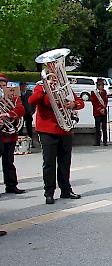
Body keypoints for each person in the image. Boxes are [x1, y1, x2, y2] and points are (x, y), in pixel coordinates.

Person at [29, 75, 85, 204]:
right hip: (47, 130)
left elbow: (80, 102)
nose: (55, 80)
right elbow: (32, 101)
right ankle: (49, 192)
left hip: (65, 129)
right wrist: (45, 87)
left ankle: (66, 190)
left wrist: (73, 104)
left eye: (56, 77)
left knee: (65, 162)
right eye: (52, 77)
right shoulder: (40, 87)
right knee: (49, 163)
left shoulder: (65, 88)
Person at [0, 74, 26, 194]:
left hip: (10, 134)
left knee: (9, 162)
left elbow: (21, 109)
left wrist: (8, 114)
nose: (2, 87)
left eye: (4, 85)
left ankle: (11, 185)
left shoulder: (13, 94)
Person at [90, 78, 109, 147]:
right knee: (97, 128)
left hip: (104, 112)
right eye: (101, 85)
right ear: (98, 86)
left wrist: (104, 108)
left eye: (102, 85)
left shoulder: (104, 92)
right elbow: (94, 102)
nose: (102, 87)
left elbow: (106, 101)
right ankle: (97, 142)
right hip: (97, 113)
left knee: (104, 128)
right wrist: (99, 109)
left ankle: (105, 141)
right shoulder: (93, 93)